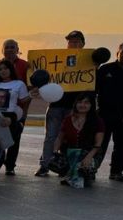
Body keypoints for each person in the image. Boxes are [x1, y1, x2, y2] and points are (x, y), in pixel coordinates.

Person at [37, 30, 88, 176]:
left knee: (70, 137)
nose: (73, 44)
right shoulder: (58, 60)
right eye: (71, 41)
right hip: (56, 105)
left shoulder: (88, 61)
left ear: (83, 44)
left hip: (76, 107)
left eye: (77, 41)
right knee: (51, 137)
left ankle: (65, 165)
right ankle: (45, 164)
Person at [96, 41, 123, 182]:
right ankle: (91, 169)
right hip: (104, 114)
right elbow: (94, 89)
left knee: (121, 145)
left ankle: (116, 172)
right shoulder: (105, 69)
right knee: (99, 144)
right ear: (117, 52)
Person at [0, 60, 30, 177]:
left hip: (10, 118)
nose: (3, 71)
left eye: (5, 68)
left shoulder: (19, 84)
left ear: (11, 69)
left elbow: (25, 101)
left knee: (5, 144)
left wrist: (22, 118)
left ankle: (5, 167)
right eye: (0, 69)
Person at [53, 93, 105, 189]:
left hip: (90, 153)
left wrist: (89, 157)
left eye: (86, 103)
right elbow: (60, 138)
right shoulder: (68, 119)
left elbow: (98, 144)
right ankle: (72, 173)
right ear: (75, 104)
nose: (82, 105)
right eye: (80, 102)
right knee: (54, 161)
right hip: (70, 152)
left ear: (91, 105)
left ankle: (80, 174)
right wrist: (55, 152)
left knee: (83, 165)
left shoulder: (98, 121)